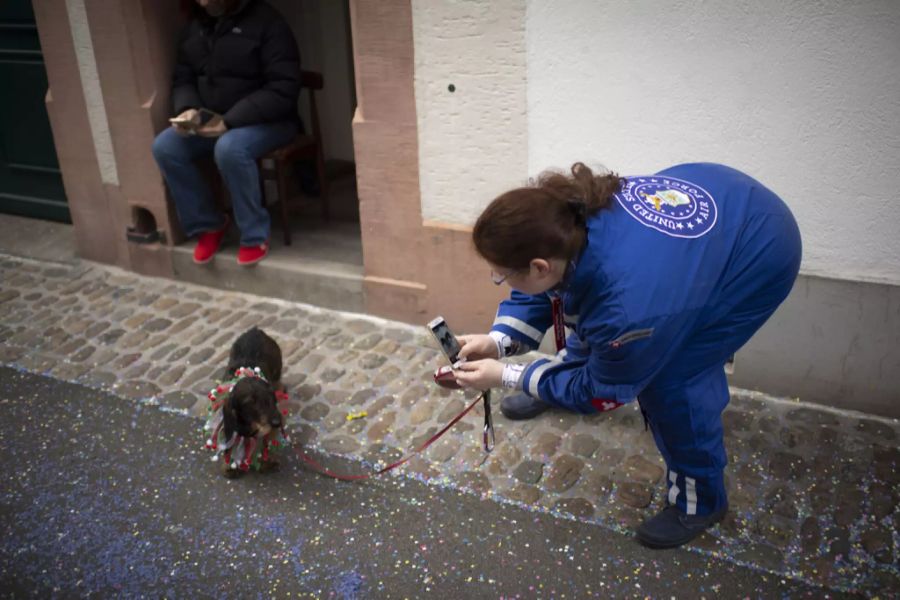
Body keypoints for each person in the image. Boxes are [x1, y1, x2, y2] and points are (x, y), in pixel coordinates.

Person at [452, 162, 801, 549]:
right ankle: (553, 384)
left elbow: (602, 389)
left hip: (759, 250)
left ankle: (700, 501)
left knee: (673, 379)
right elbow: (554, 288)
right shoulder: (562, 225)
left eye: (501, 274)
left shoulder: (629, 308)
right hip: (719, 199)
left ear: (538, 266)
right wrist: (499, 341)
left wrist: (506, 375)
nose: (499, 280)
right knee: (604, 325)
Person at [152, 0, 301, 266]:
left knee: (230, 147)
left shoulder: (267, 22)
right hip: (214, 121)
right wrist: (187, 110)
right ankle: (209, 224)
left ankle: (254, 234)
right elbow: (183, 78)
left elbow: (284, 87)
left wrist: (230, 121)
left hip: (270, 121)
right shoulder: (194, 27)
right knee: (166, 146)